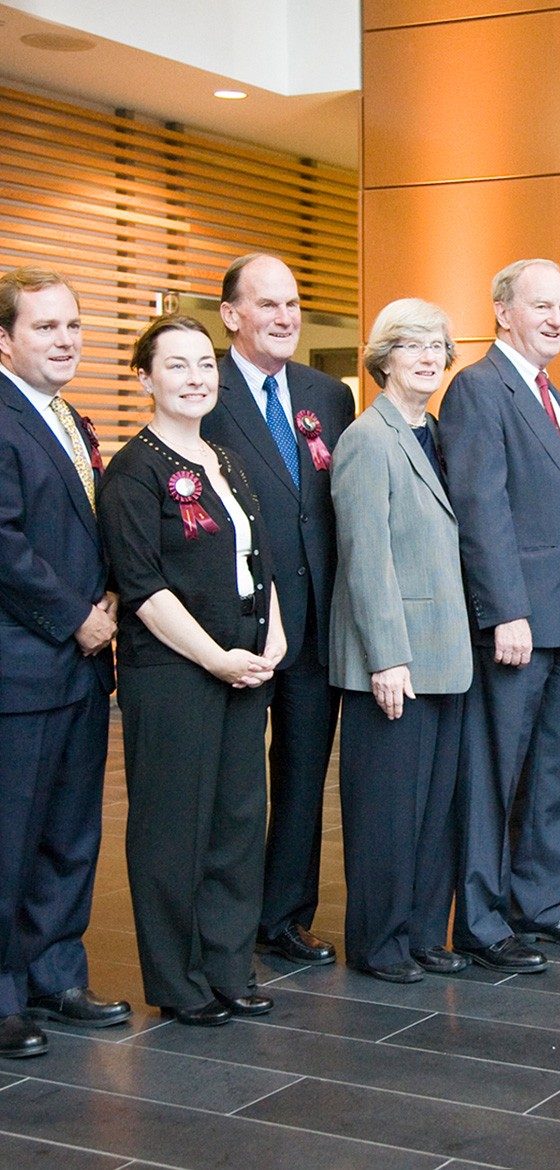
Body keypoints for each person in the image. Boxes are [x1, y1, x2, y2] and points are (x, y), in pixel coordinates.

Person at [99, 316, 286, 1025]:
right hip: (177, 669)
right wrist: (215, 657)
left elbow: (257, 560)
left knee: (238, 822)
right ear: (145, 379)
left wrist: (272, 637)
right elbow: (141, 588)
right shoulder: (134, 469)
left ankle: (228, 967)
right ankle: (179, 984)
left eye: (203, 365)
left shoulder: (226, 459)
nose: (195, 378)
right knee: (173, 828)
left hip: (245, 659)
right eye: (175, 366)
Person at [439, 258, 560, 973]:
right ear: (502, 311)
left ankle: (535, 905)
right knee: (492, 775)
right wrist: (504, 610)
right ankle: (480, 923)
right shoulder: (478, 390)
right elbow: (482, 509)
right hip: (516, 626)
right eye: (542, 306)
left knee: (549, 773)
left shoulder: (557, 399)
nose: (556, 319)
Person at [203, 253, 354, 967]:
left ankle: (285, 915)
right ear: (231, 315)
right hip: (235, 623)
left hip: (315, 621)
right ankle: (221, 919)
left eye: (293, 303)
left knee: (301, 772)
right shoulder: (207, 388)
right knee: (233, 781)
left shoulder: (328, 395)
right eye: (268, 305)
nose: (286, 317)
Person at [0, 267, 130, 1060]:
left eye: (72, 325)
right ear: (5, 337)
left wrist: (109, 599)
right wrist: (76, 616)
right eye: (45, 327)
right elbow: (4, 543)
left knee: (69, 835)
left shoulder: (69, 420)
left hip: (81, 667)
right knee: (10, 841)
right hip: (22, 670)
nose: (65, 339)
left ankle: (55, 975)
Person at [330, 299, 472, 983]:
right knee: (386, 812)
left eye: (436, 345)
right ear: (382, 356)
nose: (426, 356)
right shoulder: (367, 437)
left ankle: (420, 932)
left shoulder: (436, 434)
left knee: (434, 810)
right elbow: (365, 557)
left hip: (446, 654)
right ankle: (378, 943)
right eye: (410, 344)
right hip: (393, 659)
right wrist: (386, 655)